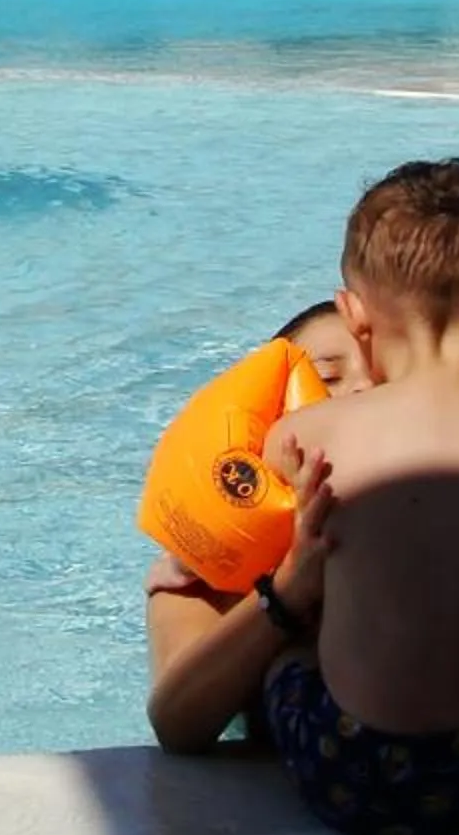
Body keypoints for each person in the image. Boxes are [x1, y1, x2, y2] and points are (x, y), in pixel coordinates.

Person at [143, 302, 371, 754]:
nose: (364, 390)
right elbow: (176, 724)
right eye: (326, 378)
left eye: (386, 384)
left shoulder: (439, 532)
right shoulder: (202, 573)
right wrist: (286, 593)